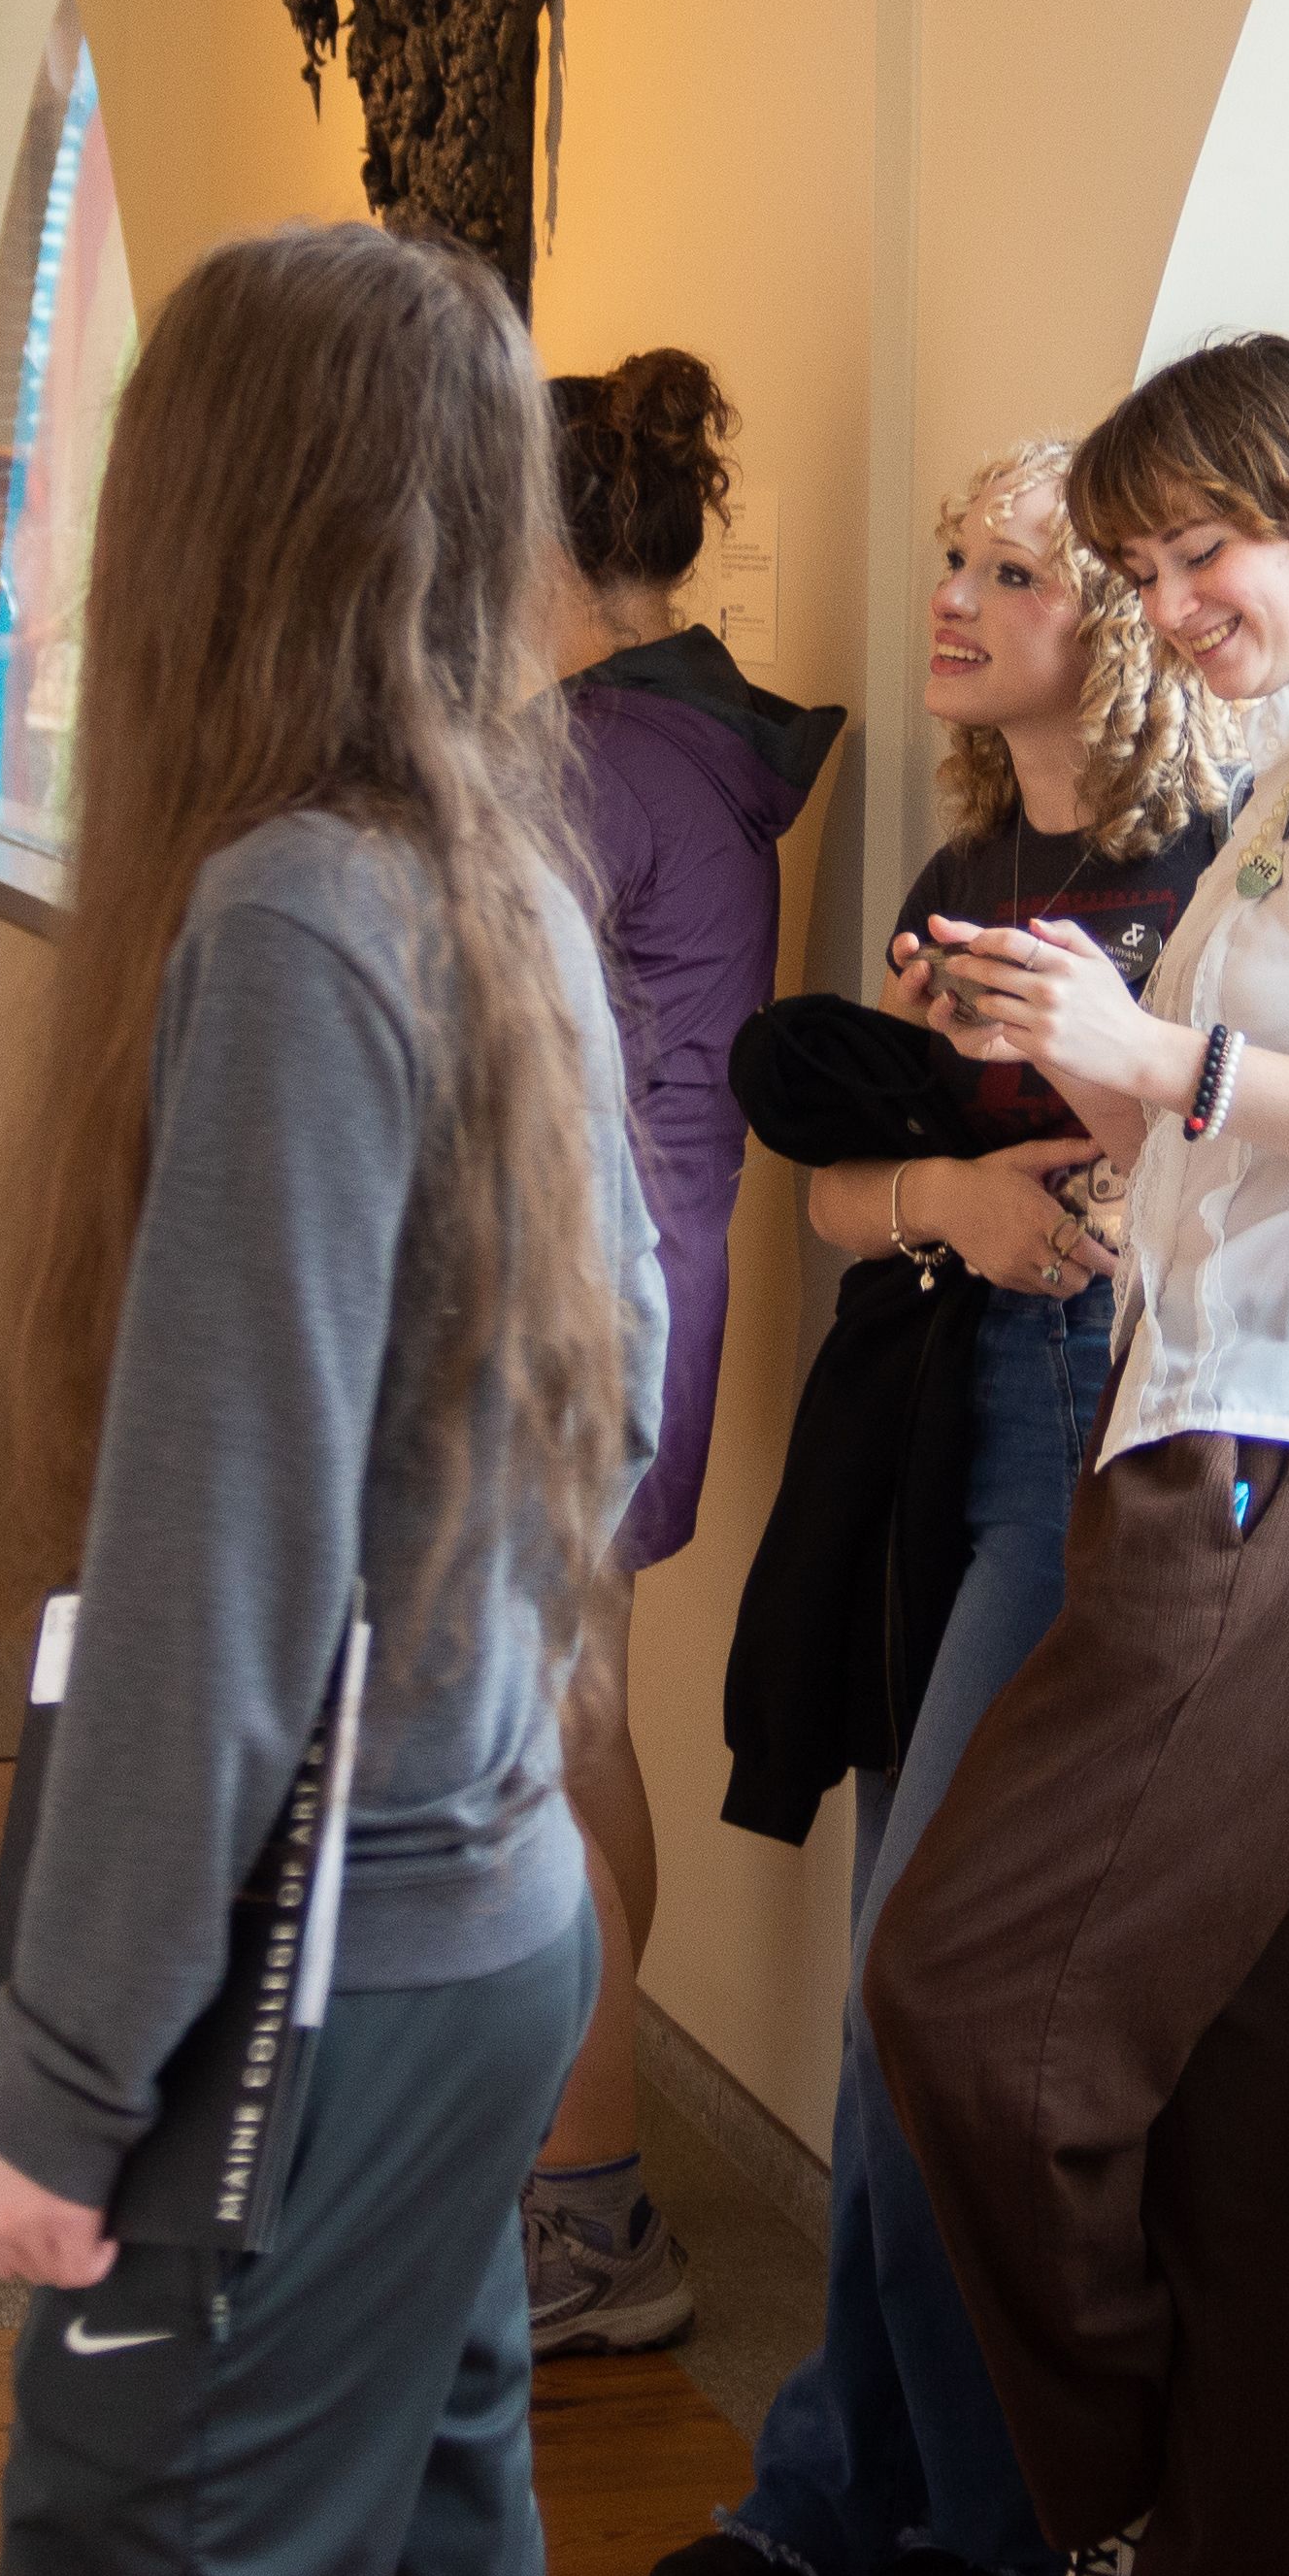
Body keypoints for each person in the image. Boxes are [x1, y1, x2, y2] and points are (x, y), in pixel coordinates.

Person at [0, 218, 665, 2576]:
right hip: (485, 1916)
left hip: (321, 1971)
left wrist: (56, 2086)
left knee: (161, 2528)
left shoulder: (288, 916)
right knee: (437, 2522)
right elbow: (607, 1396)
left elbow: (213, 1572)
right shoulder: (492, 884)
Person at [862, 334, 1289, 2576]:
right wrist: (1051, 1033)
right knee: (1237, 2104)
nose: (1172, 601)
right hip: (1234, 1433)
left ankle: (1114, 2492)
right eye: (1140, 564)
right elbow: (1213, 1125)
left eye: (1205, 549)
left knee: (963, 2001)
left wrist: (1156, 1043)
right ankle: (1199, 2532)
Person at [667, 446, 1238, 2576]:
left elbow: (1206, 1179)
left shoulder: (1201, 873)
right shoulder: (972, 859)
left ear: (1111, 618)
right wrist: (953, 1199)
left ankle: (976, 2529)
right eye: (952, 561)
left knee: (934, 1991)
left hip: (1084, 1443)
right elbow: (834, 1194)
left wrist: (1061, 1191)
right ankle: (840, 2494)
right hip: (928, 1411)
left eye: (1013, 570)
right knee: (875, 1992)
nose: (955, 599)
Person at [531, 348, 847, 2360]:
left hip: (574, 1309)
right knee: (574, 1732)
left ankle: (587, 2208)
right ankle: (582, 2168)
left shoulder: (586, 760)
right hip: (639, 1284)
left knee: (541, 1753)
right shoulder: (668, 741)